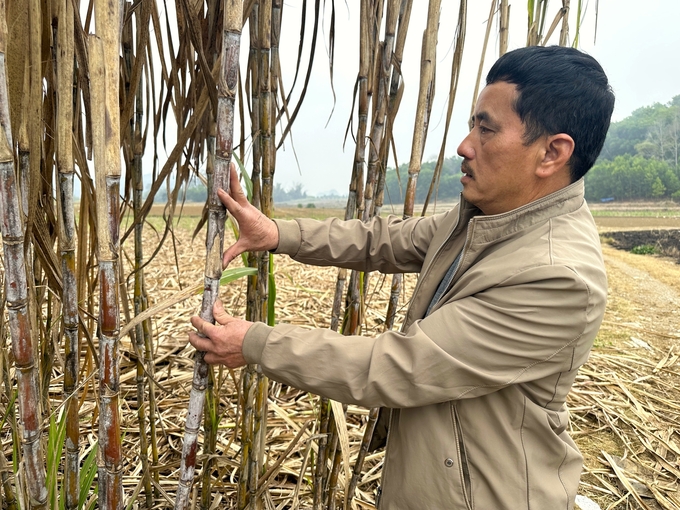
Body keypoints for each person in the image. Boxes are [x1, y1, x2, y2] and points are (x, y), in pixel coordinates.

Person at [188, 45, 615, 509]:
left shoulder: (556, 276)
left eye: (486, 128)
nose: (465, 145)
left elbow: (399, 367)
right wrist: (277, 233)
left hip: (484, 495)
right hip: (440, 477)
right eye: (473, 123)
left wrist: (255, 343)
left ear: (552, 152)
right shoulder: (488, 216)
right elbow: (385, 240)